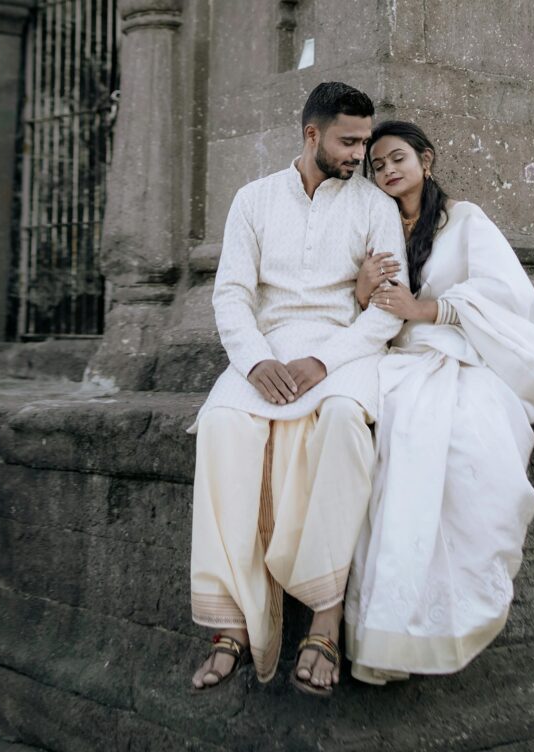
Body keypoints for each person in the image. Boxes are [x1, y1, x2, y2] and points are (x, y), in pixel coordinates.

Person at [343, 121, 534, 685]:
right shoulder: (376, 229)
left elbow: (508, 294)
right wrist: (362, 290)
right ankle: (391, 618)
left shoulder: (466, 220)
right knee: (392, 429)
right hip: (397, 355)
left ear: (426, 160)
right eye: (376, 166)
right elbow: (359, 307)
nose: (386, 171)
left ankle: (445, 607)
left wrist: (428, 310)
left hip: (462, 349)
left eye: (397, 158)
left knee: (467, 434)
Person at [187, 84, 407, 697]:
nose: (362, 154)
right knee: (223, 425)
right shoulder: (253, 200)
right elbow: (231, 294)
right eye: (349, 141)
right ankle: (234, 622)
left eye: (366, 141)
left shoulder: (373, 206)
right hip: (267, 348)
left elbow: (387, 310)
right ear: (311, 135)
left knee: (341, 418)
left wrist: (324, 360)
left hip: (343, 348)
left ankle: (326, 621)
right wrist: (255, 361)